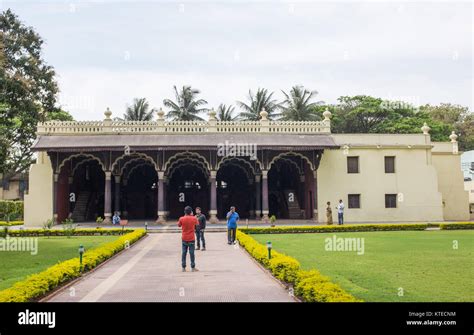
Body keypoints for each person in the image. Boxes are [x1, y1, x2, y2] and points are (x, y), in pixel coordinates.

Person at [178, 206, 199, 272]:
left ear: (184, 212)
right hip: (191, 238)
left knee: (184, 253)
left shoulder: (181, 218)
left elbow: (179, 225)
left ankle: (183, 267)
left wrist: (185, 216)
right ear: (191, 212)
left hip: (184, 238)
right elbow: (197, 224)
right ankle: (193, 267)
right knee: (192, 253)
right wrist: (192, 216)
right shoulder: (194, 218)